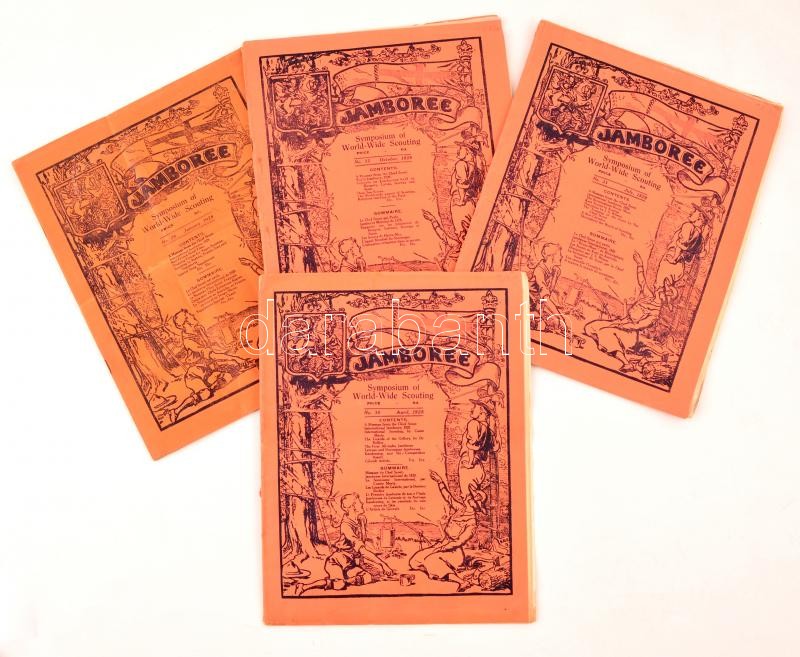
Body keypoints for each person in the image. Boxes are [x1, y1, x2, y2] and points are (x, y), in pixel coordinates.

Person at [584, 252, 676, 373]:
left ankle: (626, 363)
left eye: (663, 290)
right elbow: (642, 282)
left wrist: (619, 325)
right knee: (590, 327)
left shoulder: (654, 313)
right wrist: (639, 264)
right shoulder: (649, 296)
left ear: (664, 297)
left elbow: (637, 325)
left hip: (629, 333)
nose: (660, 288)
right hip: (621, 323)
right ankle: (606, 345)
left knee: (606, 332)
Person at [293, 493, 394, 595]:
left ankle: (342, 580)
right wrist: (383, 564)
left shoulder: (361, 519)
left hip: (351, 562)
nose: (362, 503)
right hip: (337, 561)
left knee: (369, 577)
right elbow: (362, 550)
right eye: (359, 502)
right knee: (339, 585)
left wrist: (374, 541)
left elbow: (362, 539)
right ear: (352, 507)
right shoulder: (346, 526)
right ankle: (304, 586)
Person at [409, 471, 477, 591]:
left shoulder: (472, 524)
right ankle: (436, 571)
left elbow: (458, 542)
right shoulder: (461, 509)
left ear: (474, 503)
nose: (465, 496)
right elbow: (448, 498)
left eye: (470, 497)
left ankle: (461, 582)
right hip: (443, 544)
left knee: (431, 559)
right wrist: (440, 481)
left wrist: (441, 548)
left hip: (454, 552)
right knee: (415, 561)